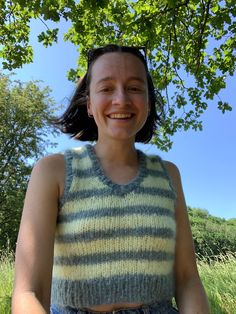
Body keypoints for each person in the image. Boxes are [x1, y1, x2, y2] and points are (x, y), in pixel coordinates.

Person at [12, 44, 210, 314]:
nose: (121, 99)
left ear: (148, 103)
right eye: (106, 88)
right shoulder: (52, 171)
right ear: (90, 104)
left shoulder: (169, 175)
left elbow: (188, 280)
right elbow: (29, 291)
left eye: (134, 88)